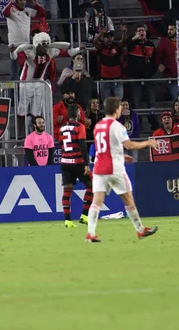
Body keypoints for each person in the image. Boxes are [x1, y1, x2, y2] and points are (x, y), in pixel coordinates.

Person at [87, 97, 159, 243]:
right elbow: (129, 145)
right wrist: (148, 142)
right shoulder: (117, 126)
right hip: (114, 169)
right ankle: (140, 230)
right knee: (128, 200)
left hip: (99, 168)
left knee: (97, 201)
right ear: (116, 109)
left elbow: (105, 147)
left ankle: (90, 233)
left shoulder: (98, 126)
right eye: (120, 107)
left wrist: (121, 154)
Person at [11, 32, 71, 136]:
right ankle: (19, 134)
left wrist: (78, 50)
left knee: (37, 109)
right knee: (22, 108)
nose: (45, 47)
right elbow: (15, 56)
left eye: (47, 43)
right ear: (37, 44)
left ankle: (36, 133)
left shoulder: (50, 51)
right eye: (43, 44)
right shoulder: (30, 52)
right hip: (26, 83)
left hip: (39, 82)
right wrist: (12, 51)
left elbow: (67, 52)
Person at [59, 105, 94, 228]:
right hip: (78, 161)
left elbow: (60, 143)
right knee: (91, 186)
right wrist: (86, 164)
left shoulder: (62, 127)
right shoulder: (80, 126)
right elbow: (82, 145)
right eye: (79, 112)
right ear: (77, 114)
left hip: (65, 161)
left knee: (67, 190)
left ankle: (67, 221)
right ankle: (84, 216)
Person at [2, 0, 46, 82]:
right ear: (16, 1)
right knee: (14, 74)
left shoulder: (28, 11)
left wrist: (35, 5)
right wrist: (11, 3)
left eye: (24, 0)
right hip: (15, 47)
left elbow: (42, 14)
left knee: (24, 73)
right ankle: (12, 96)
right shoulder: (12, 10)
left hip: (26, 47)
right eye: (21, 0)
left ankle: (22, 94)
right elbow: (4, 13)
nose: (23, 2)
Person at [126, 24, 158, 130]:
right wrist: (134, 38)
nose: (141, 32)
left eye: (143, 30)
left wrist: (152, 73)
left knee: (151, 103)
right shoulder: (132, 44)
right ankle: (137, 126)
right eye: (139, 30)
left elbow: (154, 61)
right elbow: (127, 44)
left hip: (148, 78)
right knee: (136, 104)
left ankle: (154, 125)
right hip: (135, 79)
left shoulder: (150, 45)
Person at [94, 27, 127, 99]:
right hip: (104, 80)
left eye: (111, 37)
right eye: (107, 37)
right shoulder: (101, 47)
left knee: (118, 103)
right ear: (103, 38)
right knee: (106, 104)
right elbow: (95, 42)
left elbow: (123, 41)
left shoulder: (117, 46)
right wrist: (101, 34)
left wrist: (124, 32)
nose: (109, 39)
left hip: (117, 80)